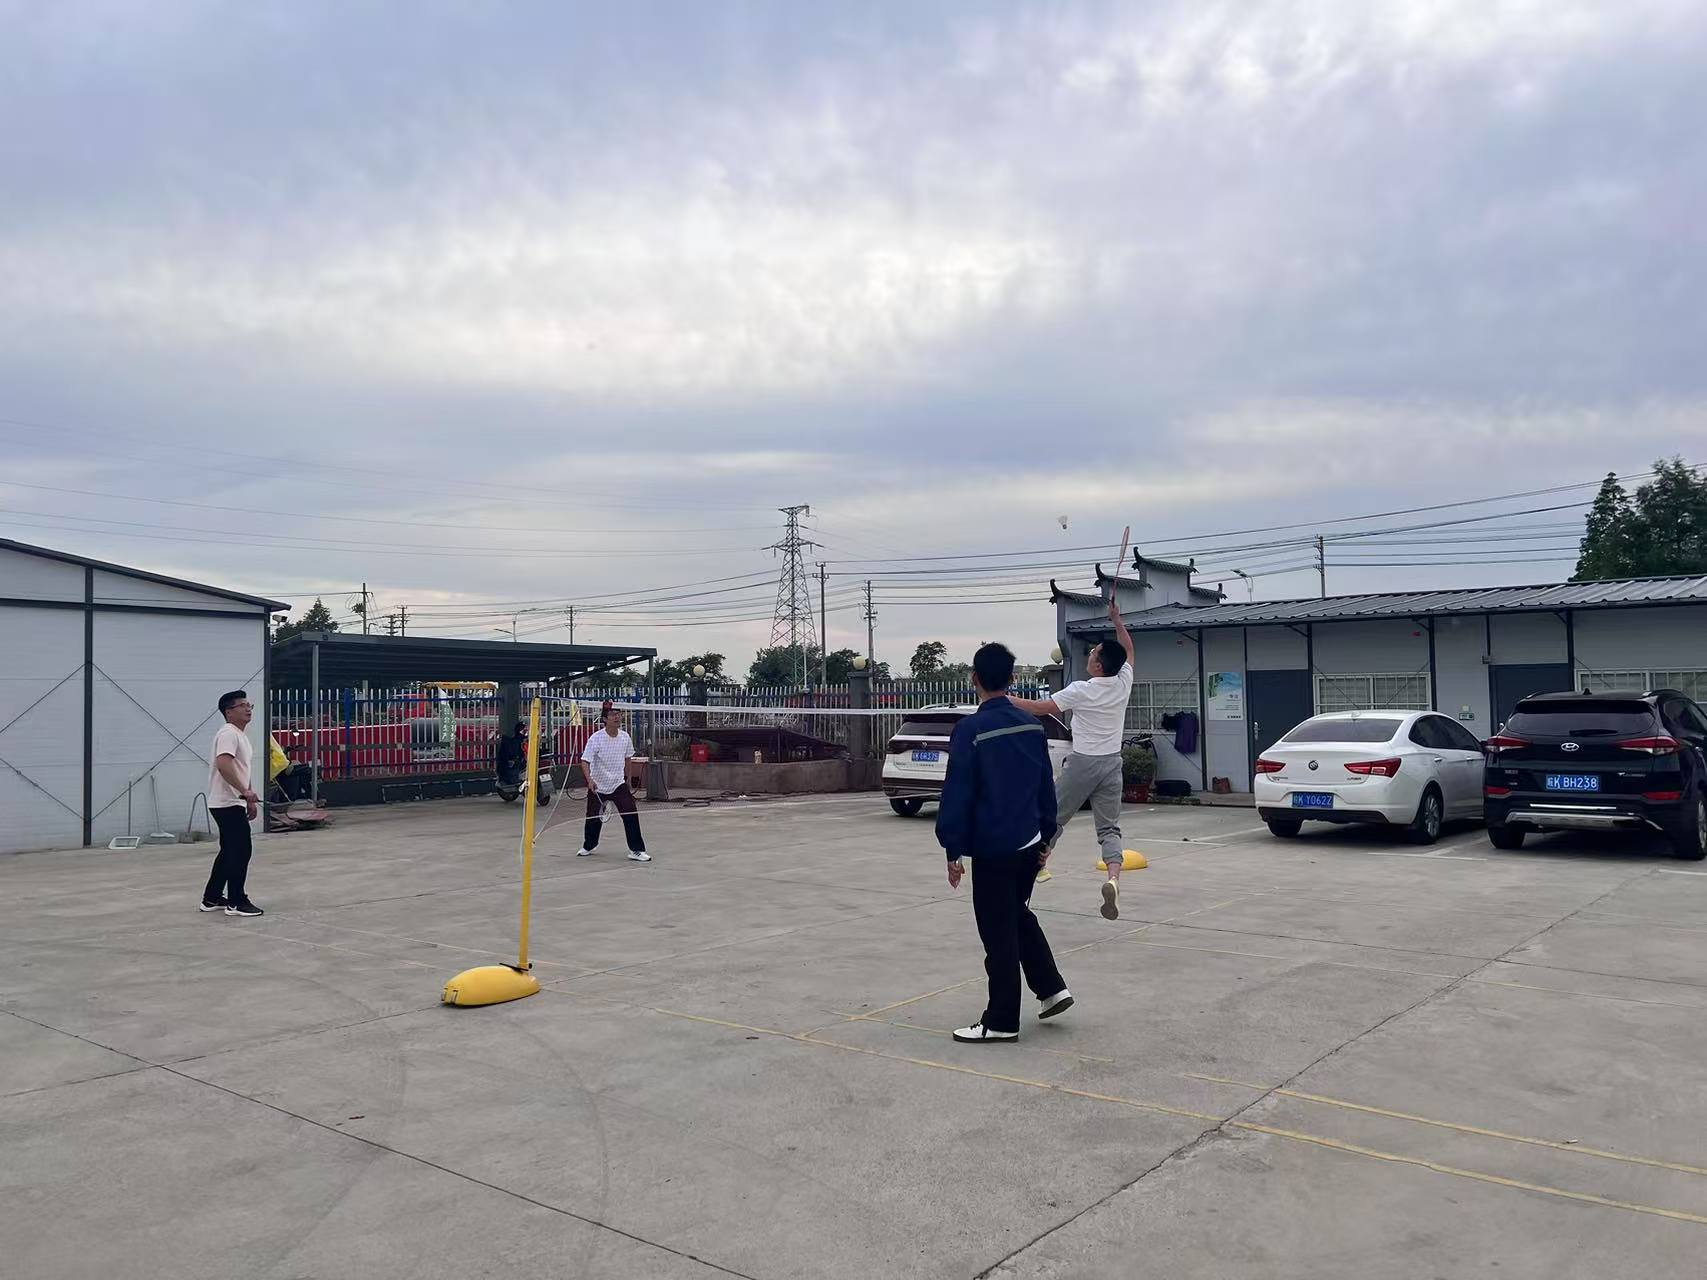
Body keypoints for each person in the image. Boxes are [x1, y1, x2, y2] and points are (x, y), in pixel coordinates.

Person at [937, 642, 1071, 1043]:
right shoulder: (1032, 726)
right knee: (1015, 915)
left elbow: (958, 793)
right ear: (1012, 679)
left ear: (974, 679)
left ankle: (1001, 1020)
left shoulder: (970, 731)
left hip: (993, 847)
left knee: (998, 932)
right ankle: (1051, 988)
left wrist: (952, 849)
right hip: (1030, 842)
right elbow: (1045, 786)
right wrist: (1046, 837)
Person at [1009, 599, 1134, 921]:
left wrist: (1005, 698)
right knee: (1109, 828)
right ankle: (1113, 879)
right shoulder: (1123, 681)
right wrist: (1117, 621)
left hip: (1083, 763)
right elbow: (1128, 651)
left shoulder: (1082, 690)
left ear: (1098, 666)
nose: (1090, 654)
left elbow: (1041, 708)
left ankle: (1038, 868)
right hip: (1113, 763)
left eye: (1093, 653)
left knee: (1052, 817)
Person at [203, 690, 263, 916]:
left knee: (229, 851)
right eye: (242, 705)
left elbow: (239, 769)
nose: (248, 709)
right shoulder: (228, 733)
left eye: (249, 705)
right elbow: (223, 764)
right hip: (226, 802)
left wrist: (248, 799)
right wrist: (244, 791)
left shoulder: (239, 735)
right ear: (229, 712)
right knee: (240, 851)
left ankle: (211, 898)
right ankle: (236, 901)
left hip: (231, 802)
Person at [577, 703, 650, 862]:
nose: (617, 717)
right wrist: (590, 781)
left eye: (618, 714)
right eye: (612, 715)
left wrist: (628, 780)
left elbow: (628, 759)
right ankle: (589, 845)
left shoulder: (625, 737)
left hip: (618, 784)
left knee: (631, 814)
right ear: (604, 719)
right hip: (598, 785)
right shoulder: (596, 738)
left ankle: (636, 850)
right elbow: (585, 761)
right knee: (593, 818)